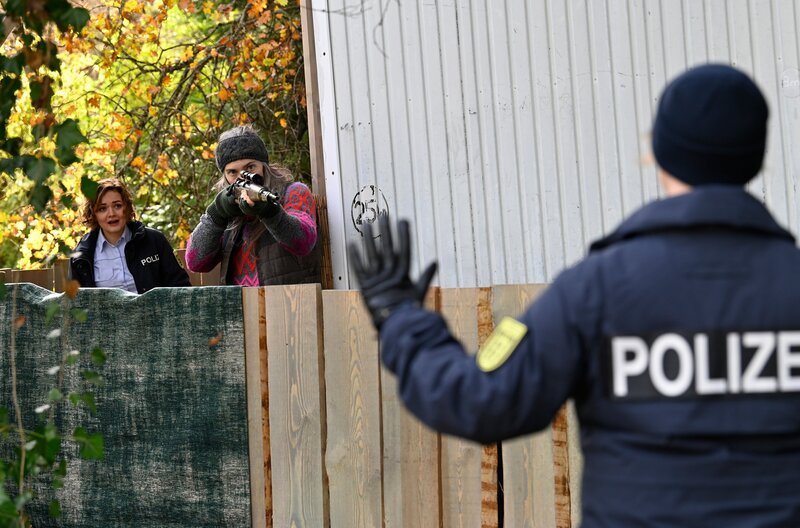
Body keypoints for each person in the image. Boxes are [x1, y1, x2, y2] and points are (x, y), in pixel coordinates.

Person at [349, 64, 800, 526]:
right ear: (756, 157)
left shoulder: (595, 290)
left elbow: (481, 400)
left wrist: (401, 319)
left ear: (661, 152)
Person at [185, 125, 320, 286]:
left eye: (250, 167)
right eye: (232, 172)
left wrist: (269, 211)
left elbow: (303, 242)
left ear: (263, 165)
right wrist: (216, 214)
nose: (243, 177)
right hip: (240, 308)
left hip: (289, 304)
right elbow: (195, 262)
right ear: (225, 175)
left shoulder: (294, 192)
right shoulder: (228, 206)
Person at [70, 178, 191, 293]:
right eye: (102, 209)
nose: (111, 214)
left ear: (127, 207)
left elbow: (181, 286)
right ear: (93, 214)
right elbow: (76, 305)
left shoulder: (154, 240)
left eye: (117, 206)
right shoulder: (81, 256)